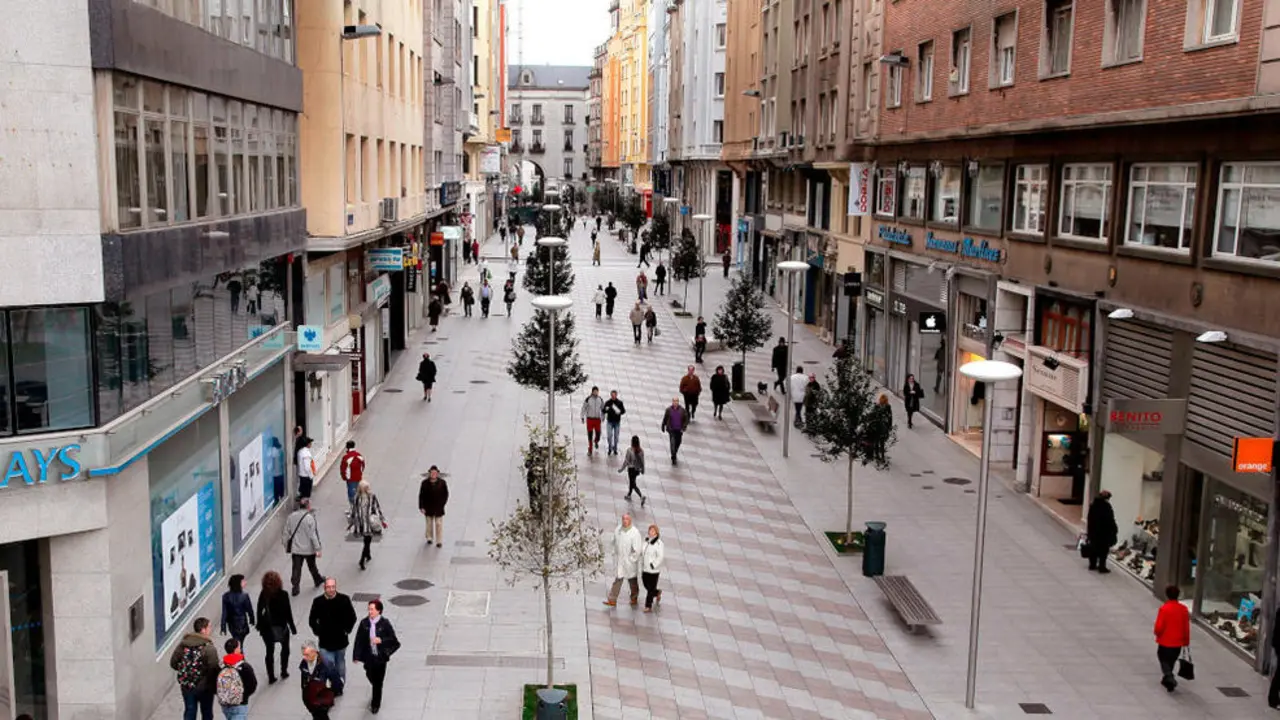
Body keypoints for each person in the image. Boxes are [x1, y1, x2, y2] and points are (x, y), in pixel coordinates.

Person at [308, 578, 357, 695]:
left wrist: (347, 630)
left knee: (340, 663)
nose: (331, 589)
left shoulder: (344, 600)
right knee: (328, 664)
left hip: (340, 640)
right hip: (325, 641)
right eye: (328, 587)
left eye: (333, 587)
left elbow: (352, 617)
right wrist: (318, 631)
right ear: (325, 588)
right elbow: (312, 619)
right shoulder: (318, 601)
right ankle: (331, 683)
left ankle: (338, 686)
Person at [352, 599, 401, 715]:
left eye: (372, 609)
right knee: (370, 675)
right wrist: (356, 655)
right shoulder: (364, 623)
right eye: (369, 609)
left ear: (379, 611)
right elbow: (359, 640)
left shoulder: (385, 624)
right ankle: (376, 688)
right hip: (369, 657)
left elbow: (394, 640)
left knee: (378, 682)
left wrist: (381, 640)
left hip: (380, 658)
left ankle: (375, 704)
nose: (370, 612)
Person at [170, 616, 220, 720]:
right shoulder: (209, 648)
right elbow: (214, 668)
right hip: (205, 687)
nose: (210, 630)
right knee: (206, 712)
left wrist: (186, 672)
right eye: (209, 627)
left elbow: (173, 663)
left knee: (190, 711)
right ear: (203, 630)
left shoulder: (183, 644)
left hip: (187, 685)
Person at [255, 571, 296, 684]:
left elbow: (259, 610)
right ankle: (284, 671)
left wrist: (259, 624)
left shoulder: (264, 594)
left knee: (269, 651)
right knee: (285, 649)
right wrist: (292, 627)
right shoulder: (283, 594)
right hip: (281, 626)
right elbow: (288, 612)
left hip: (267, 628)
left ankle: (271, 676)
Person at [283, 498, 324, 596]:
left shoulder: (291, 516)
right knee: (312, 566)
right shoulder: (310, 518)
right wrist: (318, 549)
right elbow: (313, 535)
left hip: (296, 548)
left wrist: (286, 545)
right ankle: (317, 579)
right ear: (308, 506)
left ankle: (295, 587)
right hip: (308, 549)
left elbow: (286, 532)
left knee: (296, 568)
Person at [1154, 585, 1191, 692]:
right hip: (1178, 641)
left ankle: (1169, 676)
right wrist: (1186, 640)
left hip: (1165, 640)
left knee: (1163, 658)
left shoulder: (1165, 608)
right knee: (1172, 659)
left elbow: (1159, 626)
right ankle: (1167, 678)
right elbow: (1186, 626)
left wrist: (1157, 633)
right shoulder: (1183, 609)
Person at [603, 514, 643, 607]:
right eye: (623, 519)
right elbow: (613, 541)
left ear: (630, 520)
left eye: (627, 519)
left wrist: (633, 559)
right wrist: (613, 551)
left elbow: (637, 549)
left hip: (630, 561)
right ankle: (612, 599)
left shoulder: (635, 533)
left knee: (632, 580)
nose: (625, 521)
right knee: (618, 579)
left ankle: (634, 597)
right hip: (621, 560)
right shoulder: (618, 530)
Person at [216, 637, 258, 719]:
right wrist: (244, 696)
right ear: (236, 650)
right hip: (240, 704)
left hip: (225, 703)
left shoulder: (220, 666)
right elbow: (253, 684)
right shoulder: (245, 666)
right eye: (239, 647)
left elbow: (214, 682)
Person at [348, 481, 386, 571]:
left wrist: (352, 522)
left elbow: (353, 510)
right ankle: (362, 559)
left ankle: (368, 555)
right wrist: (382, 520)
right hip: (367, 523)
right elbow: (377, 507)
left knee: (367, 540)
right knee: (367, 541)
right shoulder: (371, 496)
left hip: (361, 523)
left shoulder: (357, 497)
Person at [299, 640, 338, 719]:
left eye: (307, 655)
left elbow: (336, 682)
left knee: (321, 716)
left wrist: (329, 695)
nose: (305, 657)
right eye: (304, 655)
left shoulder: (326, 664)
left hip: (322, 700)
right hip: (310, 700)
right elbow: (303, 681)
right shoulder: (304, 664)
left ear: (314, 652)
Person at [219, 574, 254, 652]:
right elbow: (249, 609)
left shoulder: (226, 596)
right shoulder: (244, 596)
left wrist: (223, 626)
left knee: (237, 641)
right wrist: (252, 619)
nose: (245, 582)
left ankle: (238, 653)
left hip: (232, 624)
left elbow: (224, 612)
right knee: (239, 643)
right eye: (243, 581)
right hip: (242, 623)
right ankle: (239, 656)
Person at [1086, 489, 1118, 573]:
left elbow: (1090, 519)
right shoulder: (1106, 507)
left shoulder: (1093, 505)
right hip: (1104, 533)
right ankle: (1102, 566)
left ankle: (1092, 564)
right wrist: (1114, 530)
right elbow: (1110, 520)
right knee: (1103, 551)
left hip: (1094, 532)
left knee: (1093, 548)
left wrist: (1089, 531)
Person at [418, 466, 449, 548]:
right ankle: (429, 537)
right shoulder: (424, 483)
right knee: (429, 523)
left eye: (435, 473)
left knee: (438, 524)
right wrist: (421, 507)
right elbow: (421, 495)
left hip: (438, 507)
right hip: (428, 506)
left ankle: (439, 541)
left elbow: (446, 494)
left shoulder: (442, 483)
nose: (433, 474)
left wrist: (443, 503)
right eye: (432, 473)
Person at [641, 524, 665, 613]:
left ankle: (648, 606)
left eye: (653, 531)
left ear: (656, 532)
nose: (651, 532)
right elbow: (642, 551)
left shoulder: (659, 543)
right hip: (645, 568)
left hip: (654, 571)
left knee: (650, 588)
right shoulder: (646, 540)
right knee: (646, 585)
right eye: (650, 530)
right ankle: (657, 592)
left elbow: (660, 556)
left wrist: (653, 565)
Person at [618, 435, 646, 506]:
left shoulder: (630, 450)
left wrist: (621, 469)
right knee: (632, 482)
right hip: (637, 470)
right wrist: (643, 469)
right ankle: (629, 494)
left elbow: (626, 461)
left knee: (633, 484)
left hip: (631, 470)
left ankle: (641, 496)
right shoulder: (641, 451)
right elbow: (642, 461)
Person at [661, 397, 690, 465]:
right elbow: (665, 418)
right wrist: (663, 425)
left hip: (679, 430)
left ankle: (675, 451)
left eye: (676, 401)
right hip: (671, 430)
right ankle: (673, 455)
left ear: (678, 402)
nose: (675, 402)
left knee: (678, 442)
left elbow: (686, 419)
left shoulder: (682, 410)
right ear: (672, 402)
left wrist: (684, 427)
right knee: (672, 442)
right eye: (674, 401)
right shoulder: (668, 410)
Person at [581, 386, 605, 456]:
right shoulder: (588, 399)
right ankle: (590, 449)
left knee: (598, 434)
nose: (596, 393)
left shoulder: (600, 399)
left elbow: (603, 409)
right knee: (590, 435)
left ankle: (596, 441)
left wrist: (603, 417)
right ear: (592, 392)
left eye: (597, 391)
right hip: (590, 419)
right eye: (594, 391)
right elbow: (583, 408)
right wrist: (582, 417)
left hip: (597, 420)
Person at [339, 440, 365, 505]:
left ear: (347, 447)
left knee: (351, 494)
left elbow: (343, 469)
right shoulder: (359, 456)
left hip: (350, 479)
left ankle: (353, 510)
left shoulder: (346, 457)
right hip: (359, 477)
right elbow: (363, 466)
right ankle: (358, 507)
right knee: (357, 492)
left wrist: (344, 477)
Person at [603, 390, 627, 455]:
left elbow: (623, 411)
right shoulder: (608, 402)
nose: (613, 396)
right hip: (609, 422)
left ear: (616, 395)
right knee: (609, 436)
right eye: (612, 395)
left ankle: (615, 449)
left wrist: (619, 412)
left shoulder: (619, 403)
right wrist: (606, 409)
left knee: (616, 437)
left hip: (617, 422)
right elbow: (603, 410)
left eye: (614, 395)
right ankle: (610, 448)